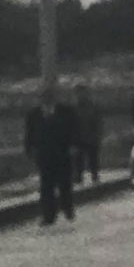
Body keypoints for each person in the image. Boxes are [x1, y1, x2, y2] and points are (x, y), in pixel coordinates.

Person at [24, 84, 79, 226]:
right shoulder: (34, 114)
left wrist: (73, 146)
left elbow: (74, 130)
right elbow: (30, 134)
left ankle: (67, 207)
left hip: (63, 154)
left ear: (54, 98)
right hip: (44, 155)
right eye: (43, 97)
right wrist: (29, 149)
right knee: (46, 186)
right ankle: (48, 215)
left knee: (64, 183)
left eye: (49, 97)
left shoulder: (66, 112)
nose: (46, 100)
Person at [72, 84, 103, 184]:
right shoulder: (73, 108)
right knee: (78, 160)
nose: (80, 95)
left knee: (93, 159)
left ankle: (95, 176)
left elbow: (98, 121)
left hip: (91, 137)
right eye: (78, 93)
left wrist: (97, 135)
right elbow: (70, 124)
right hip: (79, 138)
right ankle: (78, 178)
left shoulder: (92, 106)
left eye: (82, 92)